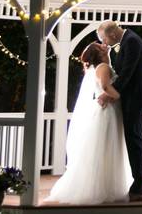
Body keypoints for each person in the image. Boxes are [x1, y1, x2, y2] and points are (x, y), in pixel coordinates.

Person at [45, 42, 132, 204]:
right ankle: (103, 188)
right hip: (109, 111)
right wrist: (120, 96)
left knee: (105, 149)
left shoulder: (101, 67)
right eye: (101, 46)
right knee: (108, 148)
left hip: (107, 110)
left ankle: (104, 186)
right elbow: (106, 86)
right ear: (99, 53)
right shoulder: (103, 67)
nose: (105, 45)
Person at [97, 20, 142, 202]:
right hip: (133, 97)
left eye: (104, 39)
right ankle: (139, 186)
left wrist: (108, 95)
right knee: (133, 140)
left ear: (111, 34)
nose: (104, 43)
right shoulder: (127, 41)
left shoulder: (131, 41)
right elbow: (120, 71)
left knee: (135, 141)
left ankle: (140, 188)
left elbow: (126, 74)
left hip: (137, 98)